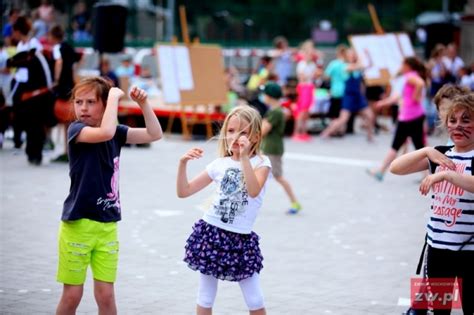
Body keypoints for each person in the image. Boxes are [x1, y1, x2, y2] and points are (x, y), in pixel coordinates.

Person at [55, 77, 163, 315]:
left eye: (91, 102)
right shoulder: (77, 130)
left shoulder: (116, 133)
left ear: (104, 106)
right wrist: (114, 94)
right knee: (72, 295)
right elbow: (105, 132)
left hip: (107, 226)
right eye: (78, 101)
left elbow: (154, 134)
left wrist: (144, 104)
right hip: (78, 225)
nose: (83, 108)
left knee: (106, 296)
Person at [177, 105, 271, 315]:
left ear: (255, 137)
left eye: (243, 132)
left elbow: (254, 190)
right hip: (211, 233)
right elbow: (184, 191)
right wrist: (182, 163)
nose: (236, 136)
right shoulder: (218, 164)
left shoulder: (261, 162)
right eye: (230, 131)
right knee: (205, 296)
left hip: (241, 239)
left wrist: (245, 157)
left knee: (255, 299)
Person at [390, 92, 474, 315]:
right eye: (453, 120)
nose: (458, 126)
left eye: (466, 120)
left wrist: (447, 176)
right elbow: (396, 168)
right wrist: (427, 150)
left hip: (469, 250)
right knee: (440, 309)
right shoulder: (440, 155)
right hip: (437, 249)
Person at [367, 57, 426, 181]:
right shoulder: (411, 76)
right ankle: (427, 176)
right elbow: (398, 96)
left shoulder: (410, 76)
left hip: (409, 117)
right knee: (418, 147)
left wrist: (416, 96)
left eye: (402, 64)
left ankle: (381, 171)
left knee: (399, 146)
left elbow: (420, 83)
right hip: (413, 116)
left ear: (408, 66)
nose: (401, 67)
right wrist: (384, 103)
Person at [260, 81, 302, 214]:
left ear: (269, 96)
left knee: (278, 177)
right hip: (269, 147)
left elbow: (263, 130)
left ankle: (295, 202)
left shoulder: (276, 112)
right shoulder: (275, 111)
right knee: (258, 175)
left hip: (272, 149)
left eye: (265, 94)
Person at [320, 48, 373, 141]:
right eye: (351, 55)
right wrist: (362, 57)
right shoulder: (345, 66)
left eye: (354, 54)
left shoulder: (357, 67)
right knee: (343, 118)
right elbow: (359, 66)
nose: (353, 56)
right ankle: (326, 133)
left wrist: (367, 55)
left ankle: (370, 136)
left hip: (358, 96)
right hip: (349, 96)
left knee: (370, 115)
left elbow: (369, 65)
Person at [48, 24, 82, 162]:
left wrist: (56, 80)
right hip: (70, 85)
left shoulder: (58, 48)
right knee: (70, 119)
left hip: (62, 87)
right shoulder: (69, 47)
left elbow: (59, 62)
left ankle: (67, 151)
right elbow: (78, 60)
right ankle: (69, 150)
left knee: (65, 119)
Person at [293, 40, 319, 141]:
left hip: (310, 87)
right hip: (304, 88)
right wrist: (313, 74)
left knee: (307, 111)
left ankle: (304, 132)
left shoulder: (312, 64)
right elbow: (302, 78)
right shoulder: (302, 64)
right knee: (302, 111)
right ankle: (297, 132)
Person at [324, 44, 348, 122]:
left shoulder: (333, 64)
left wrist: (334, 78)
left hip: (335, 91)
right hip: (345, 91)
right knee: (342, 112)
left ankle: (334, 129)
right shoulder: (347, 65)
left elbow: (326, 76)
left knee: (334, 113)